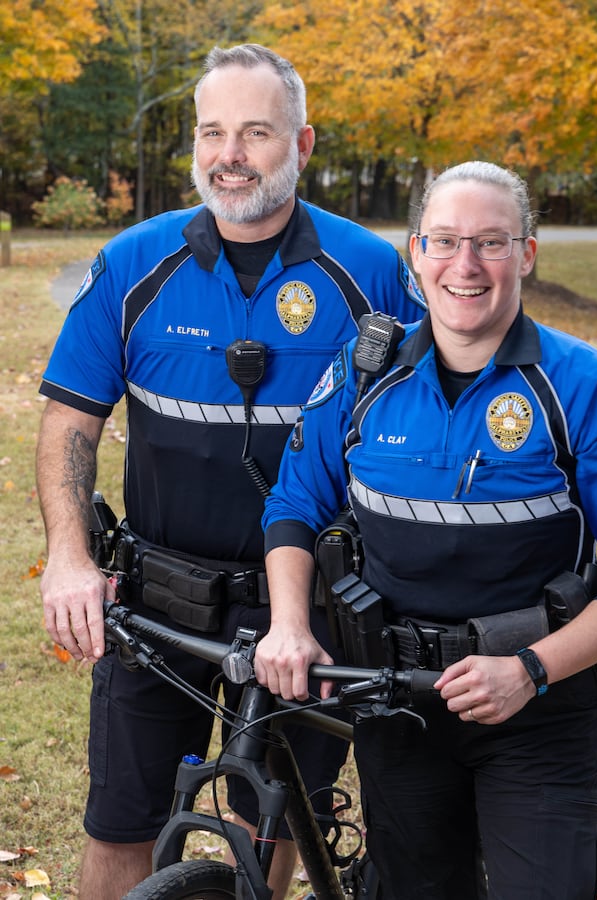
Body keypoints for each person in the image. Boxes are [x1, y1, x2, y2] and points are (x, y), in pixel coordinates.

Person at [35, 43, 425, 900]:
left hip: (310, 613)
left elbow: (429, 413)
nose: (229, 154)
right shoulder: (135, 264)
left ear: (304, 144)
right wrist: (68, 554)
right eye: (213, 132)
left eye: (256, 133)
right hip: (157, 603)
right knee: (121, 820)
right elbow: (72, 417)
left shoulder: (373, 273)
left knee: (279, 815)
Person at [256, 160, 597, 899]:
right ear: (415, 254)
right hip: (395, 702)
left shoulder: (579, 383)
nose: (465, 265)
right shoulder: (363, 370)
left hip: (541, 707)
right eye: (443, 242)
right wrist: (289, 623)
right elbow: (294, 503)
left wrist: (532, 671)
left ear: (527, 254)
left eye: (491, 242)